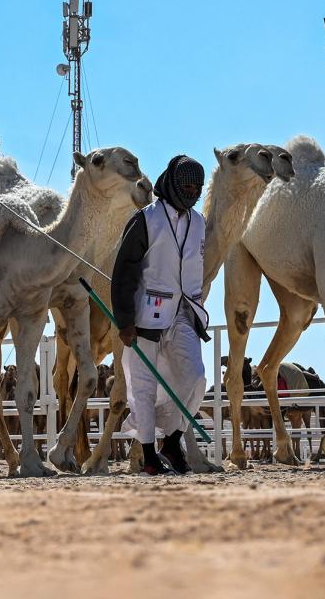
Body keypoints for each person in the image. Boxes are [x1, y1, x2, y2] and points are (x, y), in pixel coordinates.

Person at [112, 155, 211, 475]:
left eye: (198, 187)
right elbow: (124, 270)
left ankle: (174, 437)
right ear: (173, 184)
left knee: (196, 378)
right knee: (143, 386)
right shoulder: (146, 219)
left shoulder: (198, 222)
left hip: (185, 312)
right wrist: (124, 320)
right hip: (145, 316)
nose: (194, 192)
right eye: (188, 186)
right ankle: (148, 455)